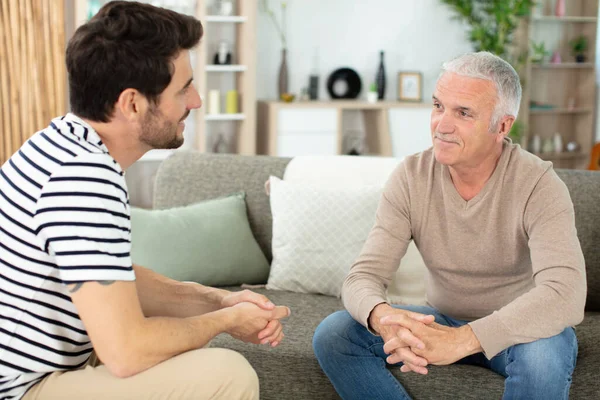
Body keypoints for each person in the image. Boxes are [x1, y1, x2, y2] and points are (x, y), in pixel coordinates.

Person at [0, 2, 289, 399]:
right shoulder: (84, 180)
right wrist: (224, 321)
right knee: (225, 373)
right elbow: (126, 352)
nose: (197, 101)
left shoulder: (61, 143)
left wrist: (218, 300)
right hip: (23, 391)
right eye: (183, 89)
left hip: (43, 373)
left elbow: (112, 280)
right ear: (132, 104)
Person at [313, 51, 586, 400]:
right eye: (438, 105)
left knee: (545, 355)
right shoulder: (411, 177)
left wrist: (464, 340)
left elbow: (565, 293)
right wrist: (383, 318)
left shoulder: (539, 184)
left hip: (518, 333)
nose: (441, 124)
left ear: (502, 126)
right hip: (441, 322)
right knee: (336, 333)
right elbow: (362, 277)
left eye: (463, 113)